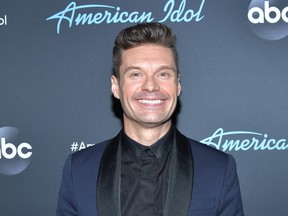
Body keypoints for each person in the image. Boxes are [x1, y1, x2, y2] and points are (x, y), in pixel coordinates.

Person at [56, 22, 244, 216]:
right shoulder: (79, 169)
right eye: (136, 74)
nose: (151, 86)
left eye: (163, 74)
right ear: (115, 86)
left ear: (177, 85)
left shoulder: (218, 168)